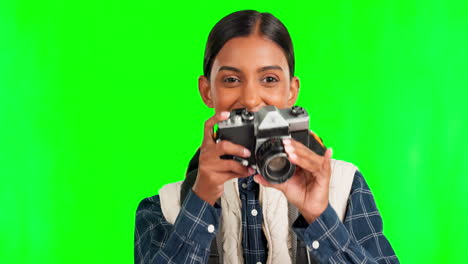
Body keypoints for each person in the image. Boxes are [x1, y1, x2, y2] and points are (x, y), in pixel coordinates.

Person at [134, 10, 399, 264]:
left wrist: (319, 216)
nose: (250, 99)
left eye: (269, 78)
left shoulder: (345, 187)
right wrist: (200, 200)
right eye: (231, 80)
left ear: (292, 92)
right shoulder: (164, 206)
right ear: (207, 91)